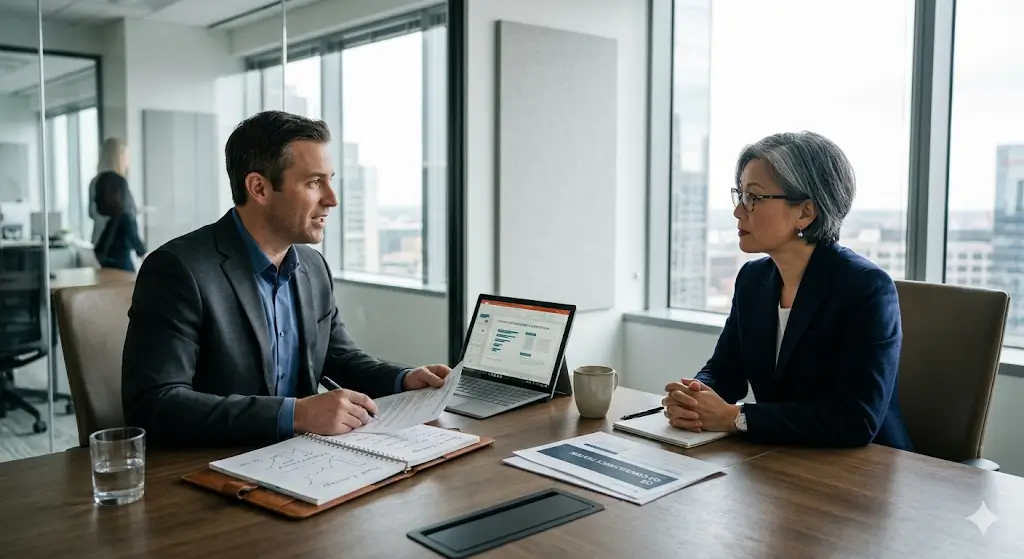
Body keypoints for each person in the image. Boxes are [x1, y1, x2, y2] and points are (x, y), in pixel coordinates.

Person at [121, 110, 451, 447]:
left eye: (330, 179)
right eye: (313, 182)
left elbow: (340, 360)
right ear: (259, 187)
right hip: (211, 465)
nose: (332, 199)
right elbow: (154, 404)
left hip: (301, 460)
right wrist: (296, 414)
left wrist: (403, 379)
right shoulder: (179, 269)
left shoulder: (313, 267)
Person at [661, 131, 912, 450]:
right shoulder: (753, 280)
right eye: (739, 195)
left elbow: (855, 420)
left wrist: (736, 417)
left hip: (864, 472)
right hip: (781, 458)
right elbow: (725, 372)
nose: (739, 211)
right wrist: (694, 397)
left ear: (806, 212)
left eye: (754, 197)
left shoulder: (866, 288)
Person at [88, 137, 137, 246]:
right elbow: (127, 214)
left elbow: (92, 212)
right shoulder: (118, 183)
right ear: (119, 158)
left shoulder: (95, 182)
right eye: (126, 155)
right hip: (116, 244)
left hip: (99, 242)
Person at [93, 174, 146, 271]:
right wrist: (142, 253)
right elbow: (134, 238)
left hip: (114, 263)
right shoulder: (119, 219)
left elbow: (134, 239)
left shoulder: (119, 219)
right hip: (118, 263)